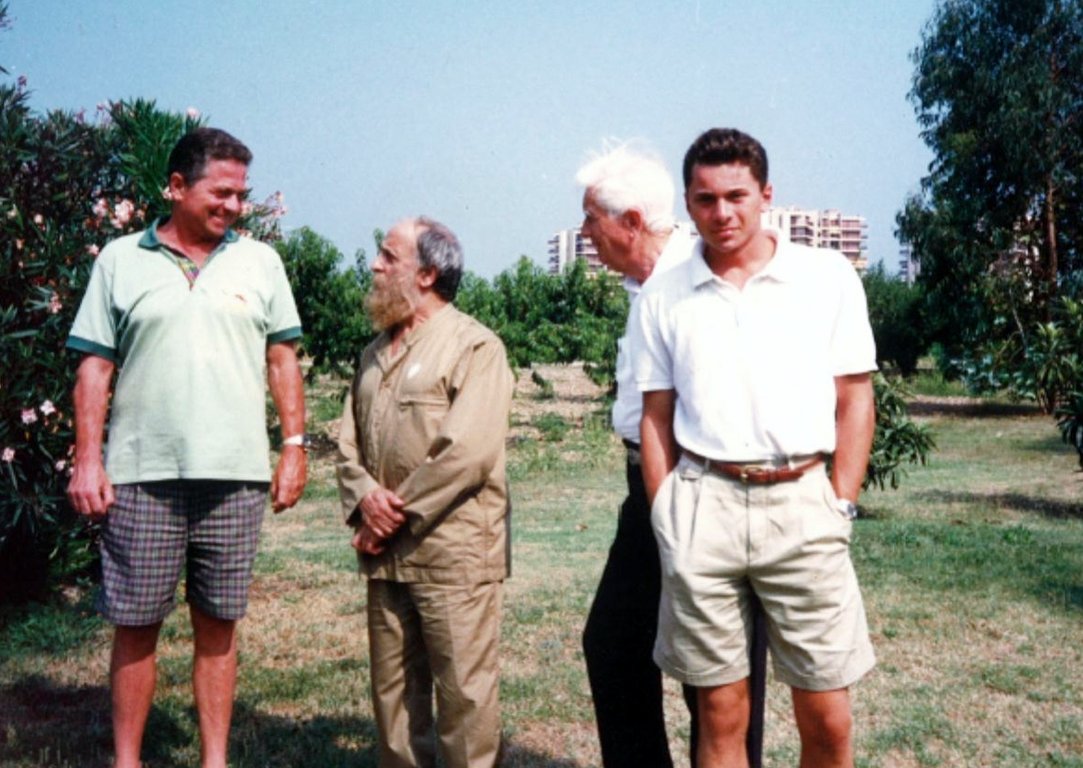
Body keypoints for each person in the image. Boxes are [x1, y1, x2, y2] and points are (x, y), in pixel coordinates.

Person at [631, 128, 877, 768]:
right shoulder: (664, 291)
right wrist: (667, 517)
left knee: (826, 715)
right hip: (702, 508)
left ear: (766, 194)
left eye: (737, 196)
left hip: (803, 505)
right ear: (688, 203)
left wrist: (839, 504)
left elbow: (855, 400)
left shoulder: (826, 278)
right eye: (705, 199)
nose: (723, 213)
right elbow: (655, 417)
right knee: (720, 713)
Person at [66, 127, 307, 768]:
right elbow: (94, 367)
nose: (233, 206)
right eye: (220, 192)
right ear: (176, 187)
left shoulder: (261, 264)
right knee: (136, 624)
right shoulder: (119, 259)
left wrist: (293, 446)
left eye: (241, 195)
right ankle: (127, 760)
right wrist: (88, 457)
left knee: (219, 626)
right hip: (142, 474)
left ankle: (215, 760)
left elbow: (282, 357)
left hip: (235, 477)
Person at [336, 216, 513, 768]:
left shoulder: (475, 347)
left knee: (464, 696)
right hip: (387, 557)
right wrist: (365, 497)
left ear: (428, 273)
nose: (374, 266)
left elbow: (467, 452)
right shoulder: (373, 354)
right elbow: (346, 443)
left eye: (389, 256)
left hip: (454, 554)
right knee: (394, 700)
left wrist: (391, 513)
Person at [574, 141, 701, 767]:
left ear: (630, 221)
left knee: (708, 669)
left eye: (591, 217)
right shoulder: (644, 286)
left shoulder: (689, 282)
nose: (583, 232)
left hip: (693, 485)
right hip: (643, 490)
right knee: (615, 645)